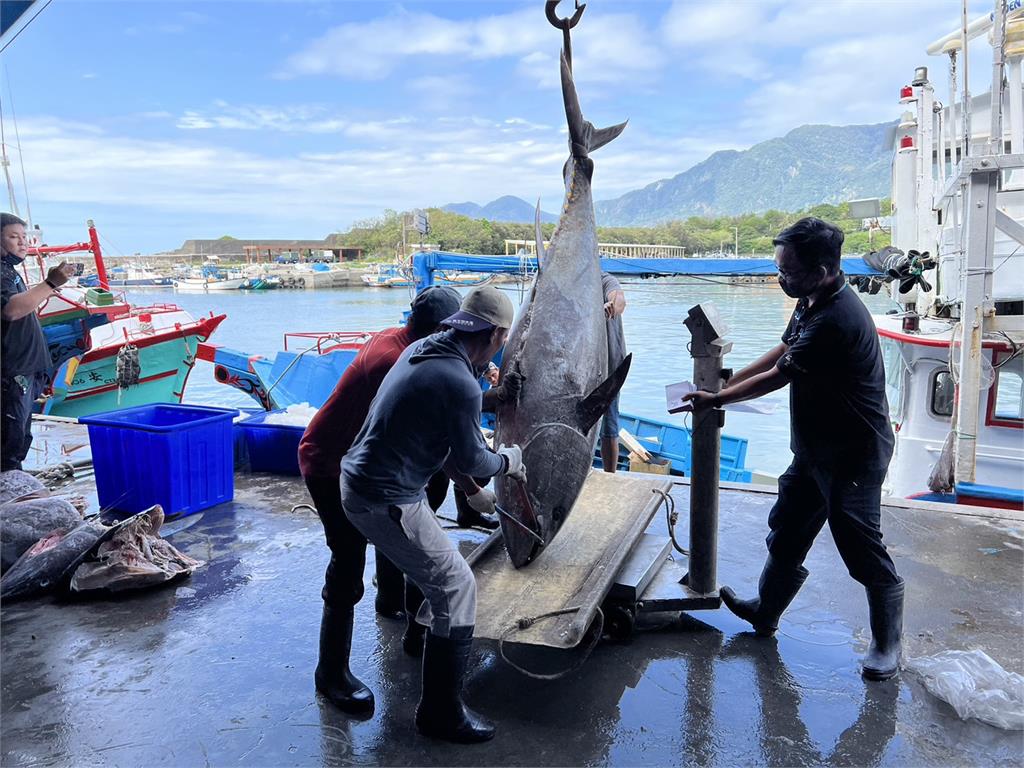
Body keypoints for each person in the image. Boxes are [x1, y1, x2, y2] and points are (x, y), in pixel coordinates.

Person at [683, 217, 904, 681]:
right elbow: (783, 350)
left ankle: (888, 643)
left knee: (860, 544)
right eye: (780, 270)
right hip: (814, 447)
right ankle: (766, 610)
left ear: (824, 270)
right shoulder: (810, 299)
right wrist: (730, 377)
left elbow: (780, 376)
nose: (782, 279)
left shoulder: (837, 318)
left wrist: (718, 398)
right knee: (787, 528)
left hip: (854, 454)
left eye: (791, 273)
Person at [341, 285, 526, 743]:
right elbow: (474, 458)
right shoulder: (460, 381)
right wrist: (508, 461)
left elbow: (437, 435)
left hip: (364, 483)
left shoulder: (426, 349)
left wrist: (470, 492)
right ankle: (441, 714)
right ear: (498, 334)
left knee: (435, 577)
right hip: (385, 498)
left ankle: (420, 645)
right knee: (457, 586)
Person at [298, 286, 463, 715]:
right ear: (434, 332)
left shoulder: (399, 339)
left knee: (396, 525)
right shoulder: (396, 362)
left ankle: (392, 603)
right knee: (348, 560)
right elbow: (435, 420)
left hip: (362, 461)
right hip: (332, 464)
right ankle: (330, 674)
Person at [1, 213, 74, 472]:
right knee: (9, 446)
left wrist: (47, 289)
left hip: (25, 371)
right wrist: (50, 282)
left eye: (24, 237)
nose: (23, 243)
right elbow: (11, 310)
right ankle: (10, 502)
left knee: (18, 439)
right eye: (13, 237)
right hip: (11, 374)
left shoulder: (10, 271)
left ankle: (14, 493)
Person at [600, 271, 627, 473]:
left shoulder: (605, 280)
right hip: (579, 369)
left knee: (609, 424)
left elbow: (618, 299)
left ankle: (610, 475)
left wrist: (611, 307)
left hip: (609, 366)